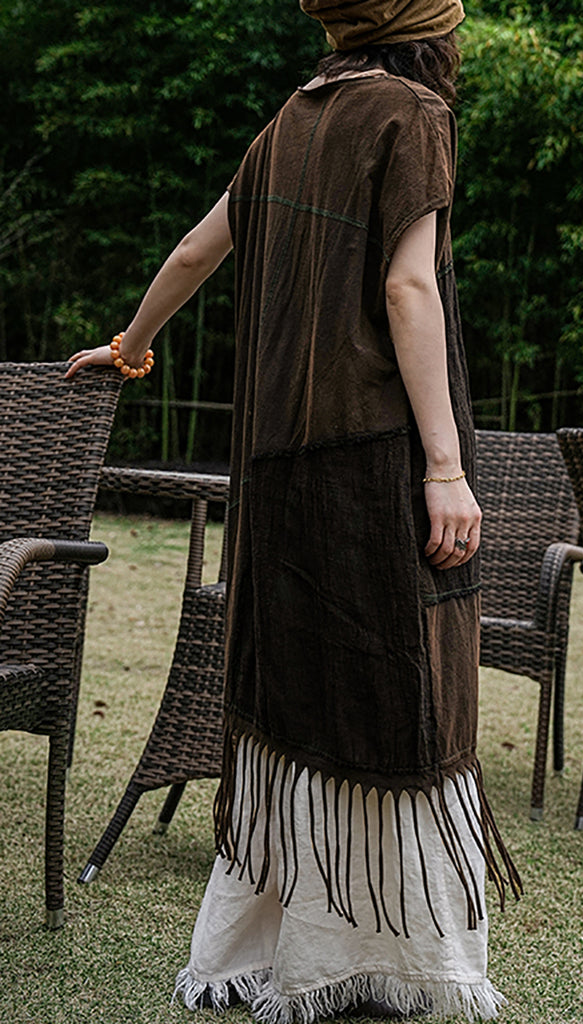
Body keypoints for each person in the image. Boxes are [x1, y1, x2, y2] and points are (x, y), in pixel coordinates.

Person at [68, 0, 522, 1018]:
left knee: (300, 700)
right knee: (394, 694)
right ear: (428, 29)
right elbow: (408, 290)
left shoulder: (292, 117)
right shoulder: (413, 113)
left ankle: (282, 946)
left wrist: (131, 345)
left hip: (277, 475)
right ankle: (379, 956)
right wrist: (445, 466)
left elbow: (198, 249)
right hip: (369, 468)